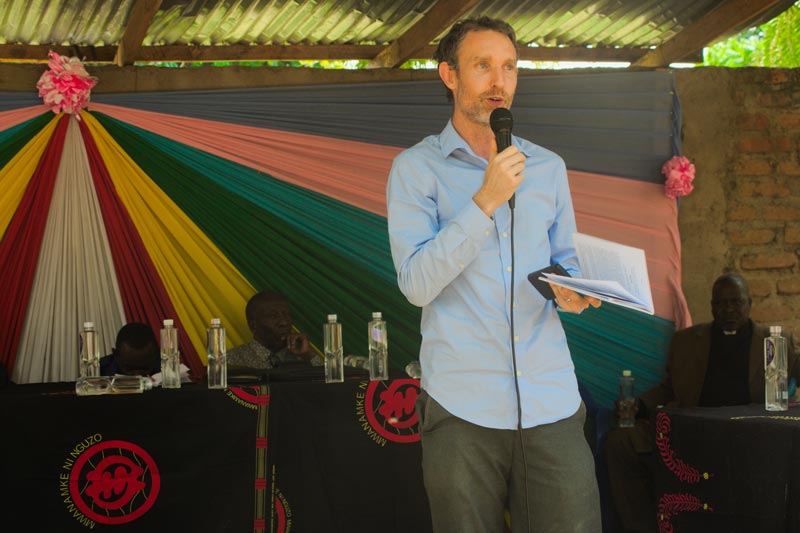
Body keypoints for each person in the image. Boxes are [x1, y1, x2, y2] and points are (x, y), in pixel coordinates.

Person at [386, 17, 602, 533]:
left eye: (508, 67)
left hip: (550, 398)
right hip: (462, 405)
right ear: (450, 75)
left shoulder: (547, 167)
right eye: (482, 66)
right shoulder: (415, 169)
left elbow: (565, 261)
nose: (498, 81)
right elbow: (416, 284)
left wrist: (573, 291)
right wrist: (484, 201)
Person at [604, 272, 799, 533]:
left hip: (750, 433)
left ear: (749, 304)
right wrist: (638, 404)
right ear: (711, 306)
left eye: (736, 302)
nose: (729, 309)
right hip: (691, 429)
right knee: (620, 441)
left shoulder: (774, 341)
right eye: (721, 303)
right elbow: (669, 387)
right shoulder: (686, 341)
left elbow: (794, 375)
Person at [227, 290, 322, 369]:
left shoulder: (303, 356)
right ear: (253, 325)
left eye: (286, 314)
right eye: (273, 316)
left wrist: (309, 355)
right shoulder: (230, 361)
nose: (284, 322)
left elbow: (326, 384)